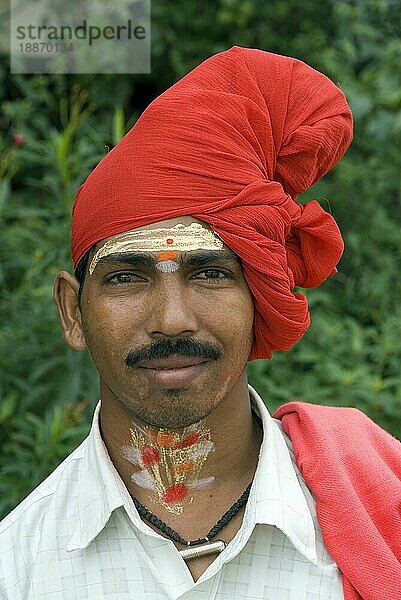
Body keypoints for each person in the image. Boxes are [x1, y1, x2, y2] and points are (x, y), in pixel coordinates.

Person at [0, 46, 400, 600]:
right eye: (125, 278)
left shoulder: (379, 509)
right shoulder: (17, 567)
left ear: (259, 294)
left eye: (210, 273)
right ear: (72, 313)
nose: (173, 320)